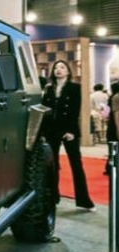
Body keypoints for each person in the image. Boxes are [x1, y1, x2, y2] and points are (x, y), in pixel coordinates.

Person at [41, 59, 96, 211]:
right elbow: (45, 111)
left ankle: (84, 200)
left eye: (62, 67)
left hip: (68, 130)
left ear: (68, 71)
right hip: (51, 130)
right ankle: (52, 197)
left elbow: (75, 110)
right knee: (52, 165)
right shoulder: (48, 89)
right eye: (56, 68)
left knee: (76, 164)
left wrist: (71, 131)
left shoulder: (75, 88)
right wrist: (43, 132)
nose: (58, 70)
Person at [105, 81, 119, 174]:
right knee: (114, 149)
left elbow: (107, 113)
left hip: (112, 126)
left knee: (113, 150)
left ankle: (110, 168)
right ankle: (111, 169)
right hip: (115, 127)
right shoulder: (116, 98)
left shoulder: (111, 98)